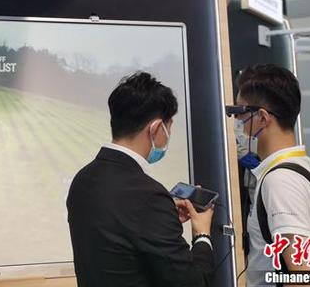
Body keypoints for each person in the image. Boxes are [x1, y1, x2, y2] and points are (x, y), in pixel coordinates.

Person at [67, 72, 215, 287]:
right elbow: (194, 283)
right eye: (169, 127)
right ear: (156, 128)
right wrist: (202, 234)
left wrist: (163, 218)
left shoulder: (82, 179)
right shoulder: (149, 196)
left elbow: (119, 239)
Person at [232, 64, 310, 287]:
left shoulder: (280, 182)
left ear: (262, 118)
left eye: (240, 113)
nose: (236, 123)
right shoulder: (304, 166)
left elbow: (306, 281)